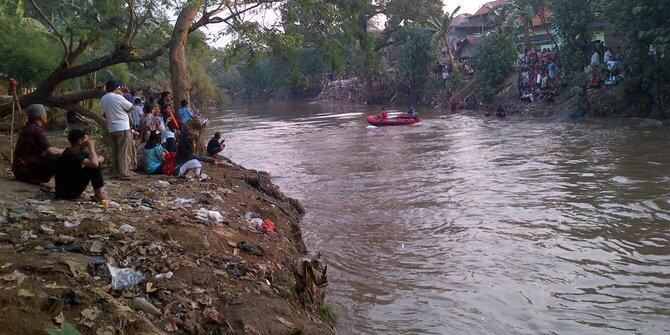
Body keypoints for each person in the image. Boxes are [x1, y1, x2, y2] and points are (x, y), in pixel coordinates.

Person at [12, 104, 64, 186]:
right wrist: (67, 151)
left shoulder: (29, 127)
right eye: (45, 114)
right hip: (24, 171)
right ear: (41, 116)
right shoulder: (35, 130)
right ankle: (42, 180)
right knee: (60, 156)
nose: (46, 116)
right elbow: (51, 151)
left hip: (20, 170)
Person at [54, 128, 108, 205]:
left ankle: (98, 194)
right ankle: (99, 194)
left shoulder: (79, 151)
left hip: (71, 186)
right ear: (80, 141)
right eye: (86, 140)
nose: (88, 143)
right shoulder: (70, 154)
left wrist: (95, 160)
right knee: (93, 166)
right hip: (67, 192)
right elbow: (95, 164)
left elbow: (101, 158)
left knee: (94, 164)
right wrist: (91, 148)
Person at [101, 80, 134, 180]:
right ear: (116, 88)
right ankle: (124, 173)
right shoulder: (118, 97)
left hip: (111, 127)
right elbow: (131, 107)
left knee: (115, 151)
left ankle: (117, 172)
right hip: (122, 127)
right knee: (123, 151)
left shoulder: (103, 98)